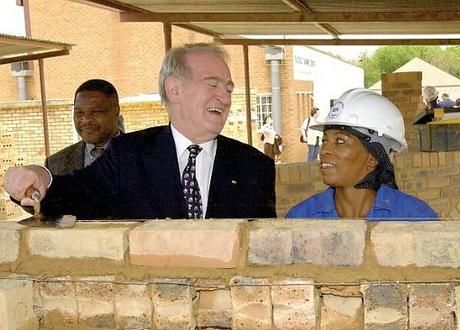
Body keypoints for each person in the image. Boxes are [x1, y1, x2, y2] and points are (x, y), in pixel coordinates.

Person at [3, 43, 276, 220]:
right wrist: (41, 178)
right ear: (174, 89)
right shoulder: (128, 156)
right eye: (212, 85)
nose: (225, 98)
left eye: (228, 89)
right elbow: (74, 194)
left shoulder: (255, 166)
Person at [286, 88, 438, 221]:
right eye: (325, 140)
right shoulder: (301, 218)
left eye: (339, 141)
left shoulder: (416, 218)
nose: (324, 150)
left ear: (373, 157)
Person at [45, 79, 123, 175]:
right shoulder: (55, 164)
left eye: (95, 112)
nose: (86, 120)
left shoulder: (141, 155)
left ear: (116, 111)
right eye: (79, 113)